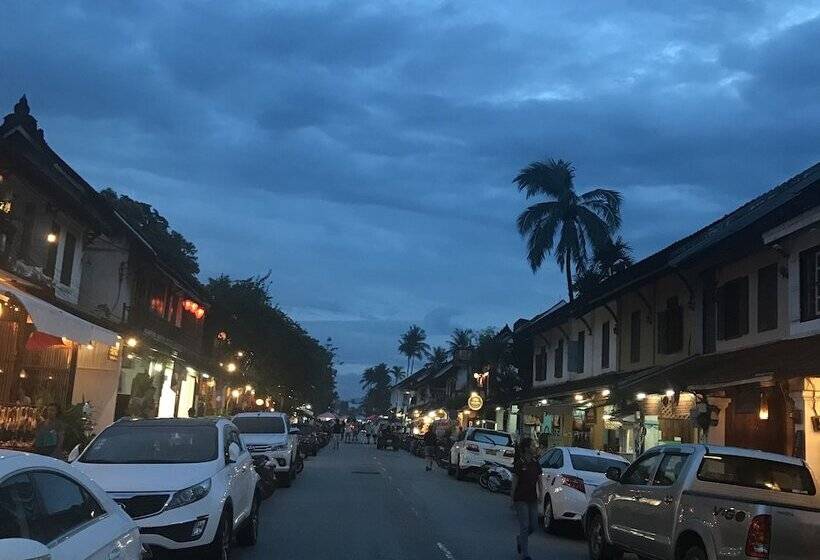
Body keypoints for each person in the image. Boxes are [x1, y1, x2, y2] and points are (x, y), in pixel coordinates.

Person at [510, 437, 542, 560]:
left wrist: (541, 494)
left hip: (532, 498)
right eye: (533, 446)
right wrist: (511, 498)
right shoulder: (519, 463)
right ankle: (525, 554)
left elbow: (540, 481)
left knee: (533, 526)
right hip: (520, 498)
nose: (534, 448)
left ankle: (520, 539)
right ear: (527, 448)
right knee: (524, 525)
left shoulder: (536, 463)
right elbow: (514, 482)